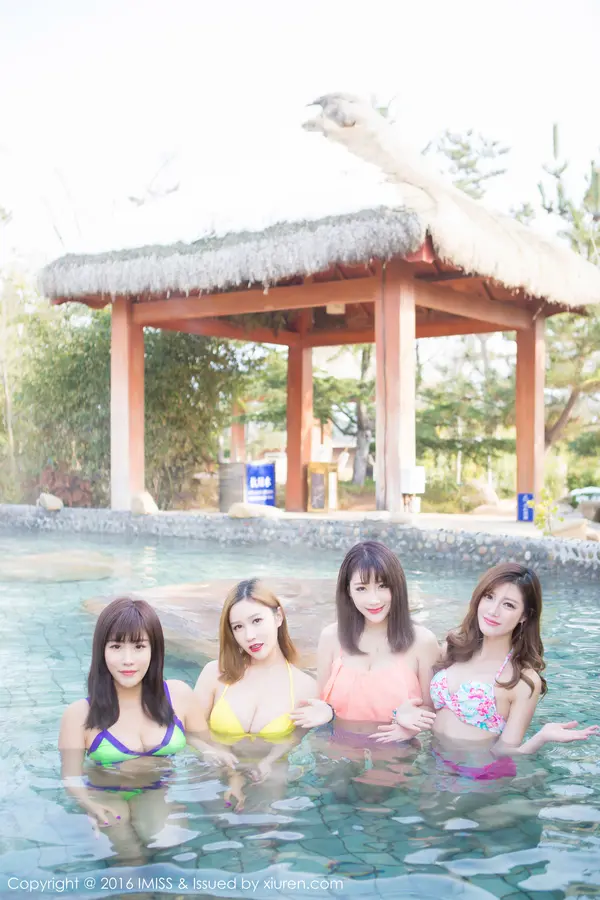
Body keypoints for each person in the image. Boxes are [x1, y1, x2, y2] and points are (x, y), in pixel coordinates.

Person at [370, 562, 598, 776]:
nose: (493, 611)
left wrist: (541, 737)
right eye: (489, 597)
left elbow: (505, 752)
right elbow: (426, 708)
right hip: (431, 762)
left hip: (477, 775)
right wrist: (405, 718)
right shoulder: (452, 650)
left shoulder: (521, 680)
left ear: (524, 616)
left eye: (508, 605)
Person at [59, 596, 235, 857]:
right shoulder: (79, 715)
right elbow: (71, 778)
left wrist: (209, 751)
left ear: (154, 650)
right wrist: (88, 805)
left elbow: (203, 740)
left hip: (156, 788)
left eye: (139, 646)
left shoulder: (179, 695)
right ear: (101, 651)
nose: (128, 660)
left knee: (168, 845)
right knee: (129, 857)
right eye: (116, 646)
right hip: (106, 793)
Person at [290, 540, 440, 740]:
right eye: (361, 588)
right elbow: (321, 701)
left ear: (397, 586)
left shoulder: (422, 642)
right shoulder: (331, 637)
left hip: (397, 752)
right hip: (335, 751)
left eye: (382, 586)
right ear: (348, 591)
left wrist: (410, 727)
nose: (373, 600)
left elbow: (432, 709)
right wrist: (326, 712)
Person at [194, 578, 318, 810]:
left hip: (269, 775)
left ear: (278, 617)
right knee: (218, 823)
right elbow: (190, 731)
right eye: (238, 627)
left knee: (267, 828)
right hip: (215, 773)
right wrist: (213, 752)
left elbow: (295, 740)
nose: (249, 635)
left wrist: (269, 761)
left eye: (257, 621)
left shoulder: (306, 687)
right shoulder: (215, 674)